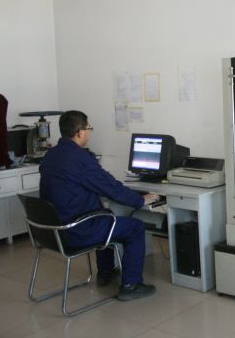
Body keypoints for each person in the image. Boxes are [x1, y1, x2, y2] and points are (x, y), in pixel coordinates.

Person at [40, 110, 159, 301]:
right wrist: (141, 200)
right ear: (80, 132)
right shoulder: (80, 158)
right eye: (89, 128)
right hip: (76, 231)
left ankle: (105, 272)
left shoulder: (51, 155)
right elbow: (110, 187)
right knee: (135, 227)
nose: (89, 132)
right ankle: (131, 285)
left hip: (52, 232)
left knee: (104, 214)